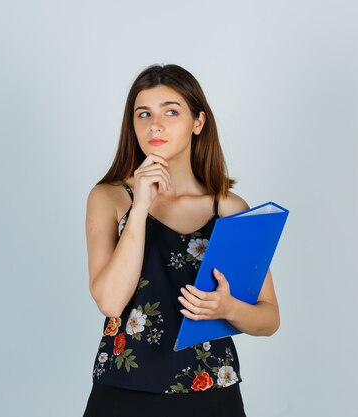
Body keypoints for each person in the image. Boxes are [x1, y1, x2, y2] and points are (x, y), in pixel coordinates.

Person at [82, 64, 280, 417]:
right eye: (144, 114)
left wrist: (227, 309)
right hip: (123, 392)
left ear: (198, 123)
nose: (154, 124)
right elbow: (111, 302)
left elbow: (269, 318)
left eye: (171, 111)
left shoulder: (229, 209)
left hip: (211, 393)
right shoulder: (109, 198)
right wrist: (140, 207)